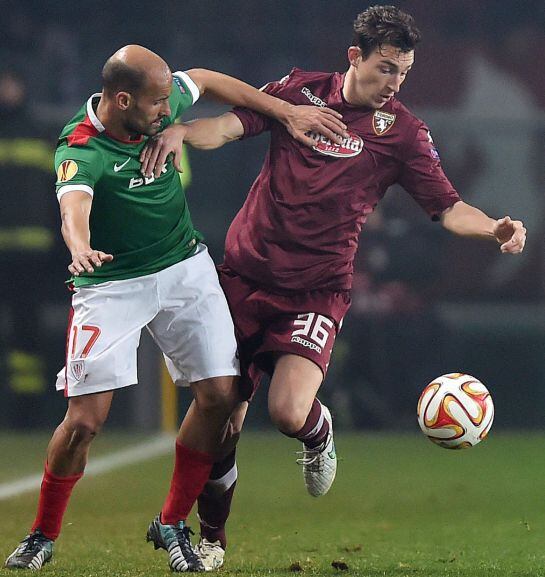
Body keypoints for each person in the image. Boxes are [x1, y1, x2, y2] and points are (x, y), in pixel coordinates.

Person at [141, 5, 527, 570]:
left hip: (315, 291)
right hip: (243, 279)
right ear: (355, 56)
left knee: (288, 411)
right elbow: (226, 127)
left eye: (403, 72)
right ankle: (212, 539)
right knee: (221, 419)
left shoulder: (404, 135)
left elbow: (445, 209)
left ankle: (319, 434)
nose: (393, 83)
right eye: (386, 69)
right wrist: (179, 131)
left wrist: (493, 227)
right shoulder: (297, 93)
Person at [4, 45, 347, 572]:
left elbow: (206, 78)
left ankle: (171, 523)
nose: (169, 112)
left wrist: (284, 111)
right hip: (111, 284)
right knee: (85, 421)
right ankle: (43, 534)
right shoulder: (81, 148)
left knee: (219, 395)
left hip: (184, 268)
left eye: (170, 100)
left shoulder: (158, 102)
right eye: (159, 103)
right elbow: (74, 206)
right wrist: (79, 247)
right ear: (122, 100)